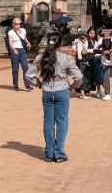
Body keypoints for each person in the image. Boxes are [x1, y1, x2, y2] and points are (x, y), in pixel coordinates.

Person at [26, 33, 82, 163]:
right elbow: (79, 77)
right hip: (62, 90)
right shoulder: (66, 58)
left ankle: (50, 153)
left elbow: (28, 76)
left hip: (46, 91)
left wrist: (38, 83)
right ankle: (59, 153)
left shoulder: (41, 57)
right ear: (60, 44)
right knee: (62, 121)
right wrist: (73, 86)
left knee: (48, 122)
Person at [7, 17, 32, 91]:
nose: (18, 25)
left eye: (19, 24)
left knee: (26, 68)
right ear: (13, 24)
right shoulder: (10, 32)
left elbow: (24, 38)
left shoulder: (23, 30)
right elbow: (10, 43)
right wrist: (14, 50)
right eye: (16, 24)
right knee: (15, 69)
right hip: (14, 51)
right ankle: (15, 86)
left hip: (22, 50)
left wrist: (28, 42)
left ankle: (27, 85)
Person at [71, 31, 92, 99]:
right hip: (80, 62)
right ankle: (82, 94)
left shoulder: (81, 43)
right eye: (83, 38)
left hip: (82, 62)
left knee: (82, 77)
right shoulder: (78, 44)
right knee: (82, 77)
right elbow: (79, 56)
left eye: (85, 37)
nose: (85, 39)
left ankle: (79, 92)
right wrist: (83, 52)